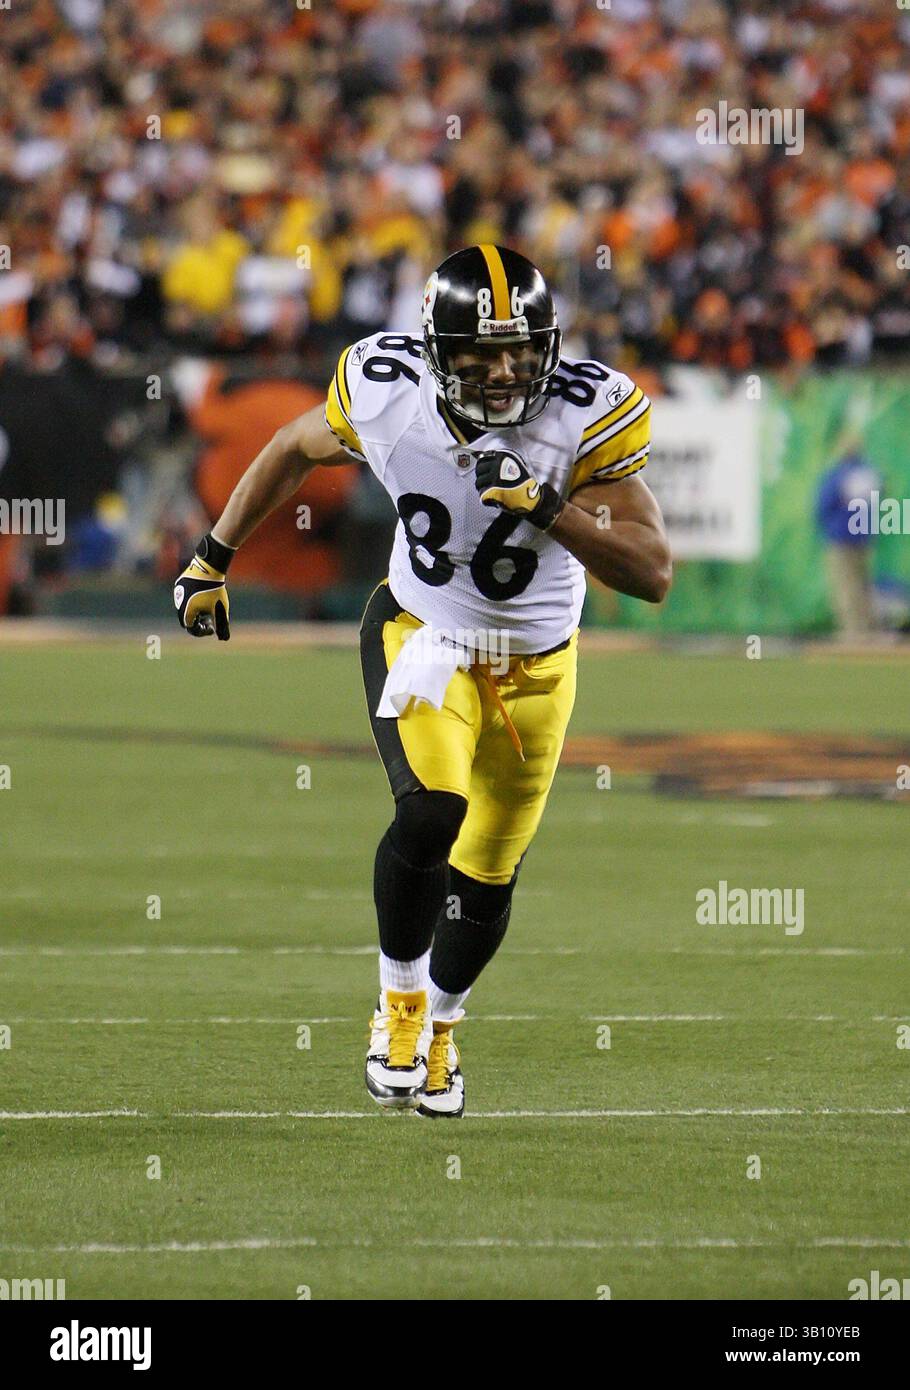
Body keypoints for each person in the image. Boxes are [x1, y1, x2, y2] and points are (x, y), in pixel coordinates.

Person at [174, 245, 671, 1118]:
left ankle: (442, 1025)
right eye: (483, 352)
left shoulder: (585, 413)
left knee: (486, 881)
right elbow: (292, 447)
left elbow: (652, 572)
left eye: (522, 350)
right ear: (439, 350)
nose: (507, 371)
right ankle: (398, 1011)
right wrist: (212, 557)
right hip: (424, 633)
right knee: (432, 811)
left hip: (539, 668)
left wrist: (547, 506)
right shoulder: (388, 392)